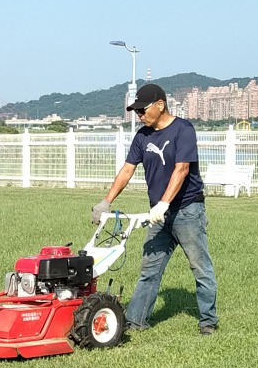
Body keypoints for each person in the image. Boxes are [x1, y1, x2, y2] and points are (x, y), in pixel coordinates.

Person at [92, 83, 217, 335]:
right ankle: (136, 322)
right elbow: (128, 170)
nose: (139, 115)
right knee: (149, 269)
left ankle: (208, 321)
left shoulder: (183, 130)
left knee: (200, 266)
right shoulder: (142, 136)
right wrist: (107, 201)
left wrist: (164, 203)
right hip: (158, 215)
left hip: (187, 210)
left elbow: (181, 169)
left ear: (160, 105)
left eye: (142, 110)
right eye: (136, 111)